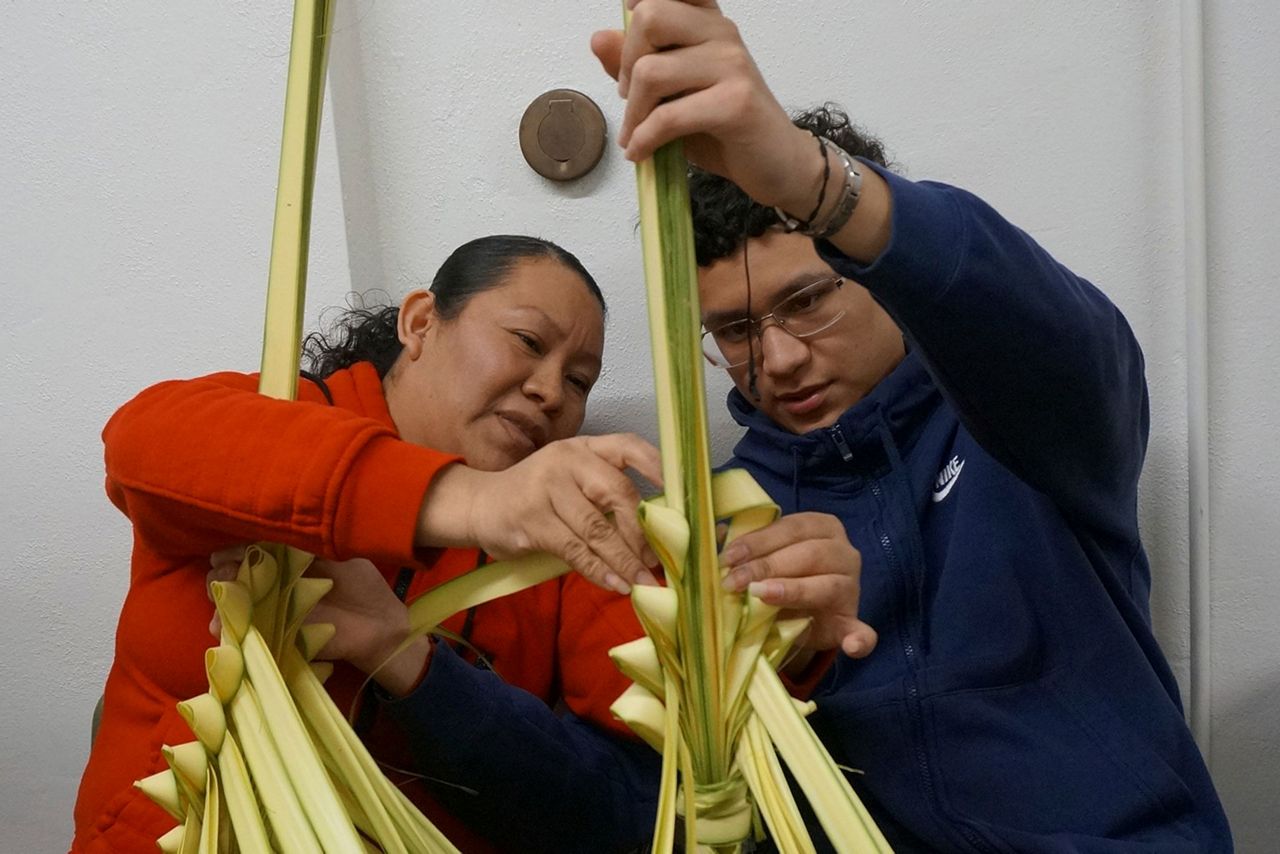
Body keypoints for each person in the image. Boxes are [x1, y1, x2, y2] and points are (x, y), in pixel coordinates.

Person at [588, 0, 1234, 850]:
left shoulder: (1024, 419)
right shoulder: (729, 517)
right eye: (736, 331)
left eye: (807, 301)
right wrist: (788, 662)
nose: (777, 359)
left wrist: (814, 183)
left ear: (873, 272)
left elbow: (1072, 344)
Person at [71, 233, 873, 854]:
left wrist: (769, 638)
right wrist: (471, 501)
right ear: (421, 323)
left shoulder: (568, 548)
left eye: (580, 379)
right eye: (528, 342)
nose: (551, 391)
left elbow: (644, 798)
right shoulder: (283, 418)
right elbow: (141, 442)